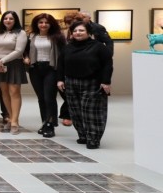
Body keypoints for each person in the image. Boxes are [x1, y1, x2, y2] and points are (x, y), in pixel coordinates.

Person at [57, 20, 113, 149]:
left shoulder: (99, 47)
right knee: (75, 111)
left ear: (89, 32)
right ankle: (82, 135)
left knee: (91, 112)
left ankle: (93, 138)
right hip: (71, 83)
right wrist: (60, 79)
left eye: (81, 30)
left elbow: (107, 65)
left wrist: (106, 82)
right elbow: (60, 64)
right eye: (75, 31)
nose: (78, 33)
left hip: (92, 82)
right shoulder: (67, 47)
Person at [24, 13, 66, 138]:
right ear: (36, 24)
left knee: (49, 98)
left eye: (46, 22)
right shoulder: (31, 36)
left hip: (51, 69)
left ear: (51, 24)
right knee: (41, 98)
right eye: (40, 22)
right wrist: (26, 57)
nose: (43, 25)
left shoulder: (57, 37)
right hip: (35, 68)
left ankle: (50, 125)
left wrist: (61, 75)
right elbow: (25, 51)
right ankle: (45, 122)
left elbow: (63, 55)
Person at [0, 10, 29, 134]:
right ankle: (11, 118)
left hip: (14, 64)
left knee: (14, 92)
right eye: (6, 18)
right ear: (2, 20)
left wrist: (2, 61)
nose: (8, 20)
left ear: (15, 20)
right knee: (4, 93)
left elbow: (19, 51)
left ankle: (15, 121)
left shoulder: (21, 33)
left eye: (11, 18)